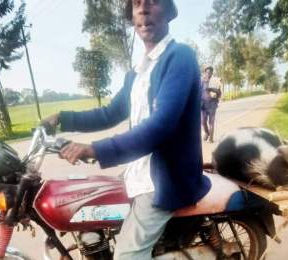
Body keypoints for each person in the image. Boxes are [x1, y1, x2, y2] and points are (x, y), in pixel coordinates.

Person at [41, 0, 211, 259]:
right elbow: (110, 113)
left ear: (166, 10)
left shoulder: (180, 57)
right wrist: (62, 119)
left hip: (167, 179)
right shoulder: (138, 73)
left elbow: (159, 126)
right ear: (132, 16)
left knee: (126, 255)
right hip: (139, 173)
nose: (142, 9)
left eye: (151, 2)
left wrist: (94, 149)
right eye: (136, 4)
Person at [200, 66, 221, 143]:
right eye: (207, 72)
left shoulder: (215, 82)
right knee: (203, 121)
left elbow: (219, 92)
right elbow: (198, 92)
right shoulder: (201, 82)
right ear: (205, 73)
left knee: (211, 122)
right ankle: (207, 132)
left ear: (212, 73)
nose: (208, 73)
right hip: (203, 105)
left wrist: (211, 89)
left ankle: (211, 138)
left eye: (210, 72)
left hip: (212, 105)